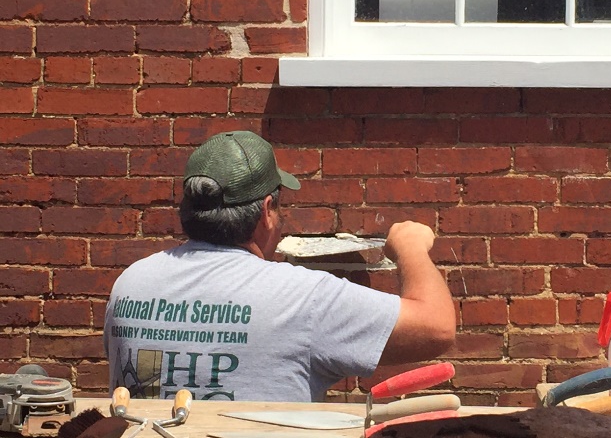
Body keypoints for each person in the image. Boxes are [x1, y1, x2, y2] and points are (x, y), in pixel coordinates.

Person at [103, 130, 455, 402]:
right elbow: (437, 328)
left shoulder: (131, 284)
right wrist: (410, 248)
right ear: (265, 211)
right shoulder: (300, 297)